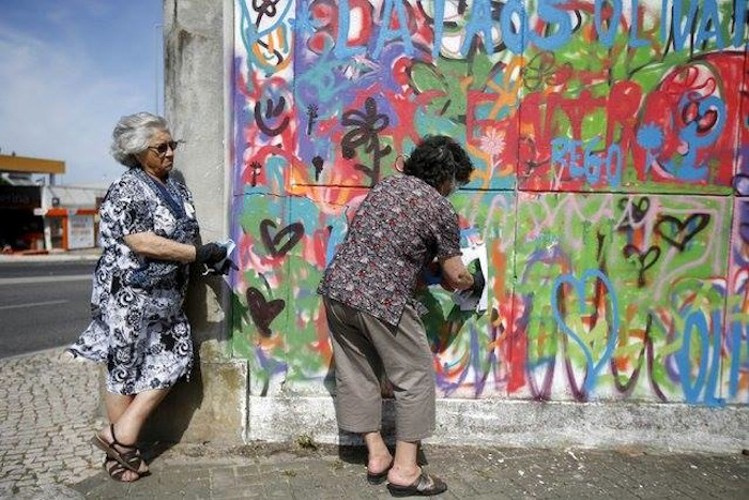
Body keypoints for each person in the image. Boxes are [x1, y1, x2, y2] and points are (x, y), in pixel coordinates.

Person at [68, 112, 228, 482]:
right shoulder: (127, 188)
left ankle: (119, 434)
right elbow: (140, 240)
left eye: (174, 145)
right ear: (138, 152)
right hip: (128, 296)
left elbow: (186, 233)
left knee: (177, 356)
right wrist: (195, 255)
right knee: (124, 368)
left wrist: (207, 261)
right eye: (162, 147)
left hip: (167, 296)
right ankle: (123, 453)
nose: (171, 153)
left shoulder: (175, 184)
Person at [318, 135, 481, 496]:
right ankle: (406, 470)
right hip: (382, 297)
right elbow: (455, 275)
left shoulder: (386, 186)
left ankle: (377, 454)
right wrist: (470, 279)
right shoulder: (440, 208)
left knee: (356, 373)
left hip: (337, 290)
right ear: (446, 179)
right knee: (415, 375)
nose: (454, 190)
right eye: (456, 183)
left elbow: (389, 243)